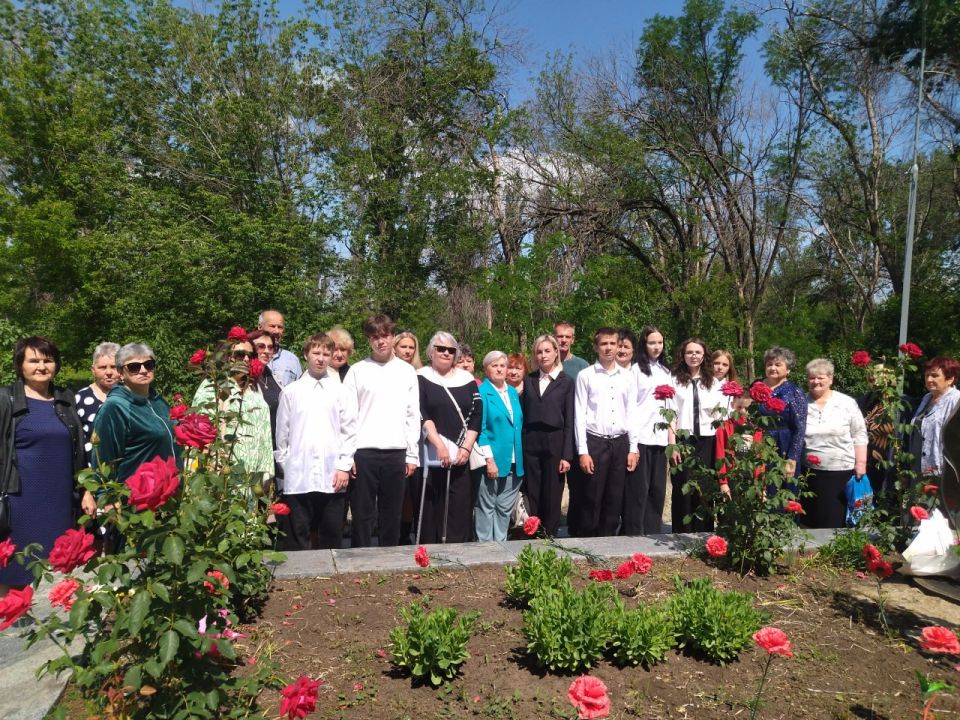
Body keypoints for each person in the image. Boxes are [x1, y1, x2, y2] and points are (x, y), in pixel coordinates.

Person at [0, 337, 92, 590]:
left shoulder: (65, 399)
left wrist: (85, 489)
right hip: (20, 501)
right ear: (20, 366)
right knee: (14, 570)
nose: (41, 366)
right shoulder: (5, 399)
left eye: (47, 360)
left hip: (60, 501)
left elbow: (78, 450)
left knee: (56, 571)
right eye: (34, 360)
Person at [339, 314, 420, 547]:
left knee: (391, 513)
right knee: (362, 514)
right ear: (368, 340)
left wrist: (412, 454)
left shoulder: (406, 372)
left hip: (396, 451)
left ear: (393, 337)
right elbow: (347, 416)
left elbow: (412, 415)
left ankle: (389, 560)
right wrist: (348, 455)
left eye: (385, 336)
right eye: (375, 337)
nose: (380, 341)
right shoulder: (357, 370)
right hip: (364, 452)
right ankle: (360, 561)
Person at [274, 334, 351, 550]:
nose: (321, 358)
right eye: (316, 353)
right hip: (299, 474)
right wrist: (286, 464)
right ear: (306, 354)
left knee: (331, 534)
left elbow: (349, 431)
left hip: (332, 474)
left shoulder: (340, 392)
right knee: (297, 534)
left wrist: (344, 466)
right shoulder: (291, 392)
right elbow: (282, 433)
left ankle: (331, 579)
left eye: (326, 354)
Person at [572, 328, 639, 537]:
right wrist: (583, 451)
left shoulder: (628, 377)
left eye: (612, 343)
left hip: (620, 443)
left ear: (618, 345)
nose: (608, 348)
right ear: (596, 347)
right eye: (604, 344)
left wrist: (633, 448)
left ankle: (608, 541)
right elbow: (579, 414)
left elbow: (632, 413)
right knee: (591, 495)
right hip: (595, 442)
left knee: (614, 496)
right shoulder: (586, 376)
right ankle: (588, 541)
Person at [416, 331, 482, 544]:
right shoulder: (421, 376)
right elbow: (422, 412)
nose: (446, 353)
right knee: (431, 505)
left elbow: (476, 414)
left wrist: (466, 447)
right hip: (433, 453)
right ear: (431, 351)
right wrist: (438, 445)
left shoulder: (466, 378)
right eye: (440, 349)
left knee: (459, 505)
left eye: (450, 350)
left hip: (461, 453)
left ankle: (458, 551)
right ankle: (430, 551)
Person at [192, 334, 274, 491]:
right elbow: (199, 430)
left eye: (250, 355)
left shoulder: (253, 387)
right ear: (226, 356)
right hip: (224, 471)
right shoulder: (213, 385)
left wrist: (265, 470)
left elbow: (264, 431)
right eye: (239, 354)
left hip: (252, 474)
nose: (245, 359)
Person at [93, 343, 178, 484]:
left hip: (168, 492)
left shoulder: (158, 401)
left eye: (148, 364)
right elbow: (103, 458)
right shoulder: (115, 407)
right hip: (136, 496)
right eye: (134, 367)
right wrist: (107, 497)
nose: (143, 370)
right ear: (120, 373)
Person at [802, 358, 868, 528]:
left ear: (831, 379)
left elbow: (859, 433)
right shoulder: (801, 402)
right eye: (811, 378)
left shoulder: (846, 403)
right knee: (811, 518)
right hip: (809, 472)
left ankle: (834, 553)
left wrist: (860, 463)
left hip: (841, 470)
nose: (815, 381)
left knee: (835, 518)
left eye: (821, 377)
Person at [668, 338, 726, 532]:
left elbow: (720, 415)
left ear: (704, 355)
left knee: (705, 487)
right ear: (683, 356)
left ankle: (704, 532)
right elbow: (671, 414)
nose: (694, 356)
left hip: (708, 440)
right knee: (682, 486)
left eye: (698, 352)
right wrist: (673, 444)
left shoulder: (714, 382)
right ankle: (682, 532)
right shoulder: (674, 379)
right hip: (683, 440)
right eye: (689, 352)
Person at [521, 334, 575, 536]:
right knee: (533, 490)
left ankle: (550, 535)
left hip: (555, 441)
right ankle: (533, 532)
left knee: (552, 491)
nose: (543, 355)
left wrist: (566, 455)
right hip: (531, 441)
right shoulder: (529, 380)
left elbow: (570, 419)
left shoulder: (566, 382)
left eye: (547, 351)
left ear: (555, 353)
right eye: (539, 352)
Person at [623, 326, 672, 535]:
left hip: (661, 440)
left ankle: (653, 532)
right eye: (652, 342)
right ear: (644, 345)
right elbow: (630, 408)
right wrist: (632, 445)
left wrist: (672, 439)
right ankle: (634, 533)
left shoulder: (666, 372)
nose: (656, 347)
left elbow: (670, 409)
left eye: (660, 342)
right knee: (638, 491)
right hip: (641, 437)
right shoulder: (635, 371)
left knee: (657, 489)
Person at [474, 351, 524, 542]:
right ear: (486, 370)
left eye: (502, 365)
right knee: (487, 506)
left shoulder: (512, 392)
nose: (499, 369)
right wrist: (489, 460)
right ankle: (485, 549)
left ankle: (501, 547)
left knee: (504, 508)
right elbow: (482, 428)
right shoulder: (483, 392)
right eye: (494, 365)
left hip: (514, 460)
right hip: (492, 460)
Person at [756, 346, 807, 478]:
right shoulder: (756, 387)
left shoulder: (794, 392)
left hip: (783, 443)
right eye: (769, 364)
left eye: (778, 365)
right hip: (758, 443)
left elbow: (800, 428)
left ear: (788, 369)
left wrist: (792, 457)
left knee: (780, 490)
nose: (773, 368)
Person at [912, 356, 960, 477]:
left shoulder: (956, 400)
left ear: (950, 379)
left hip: (943, 473)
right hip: (918, 469)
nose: (929, 379)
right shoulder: (927, 398)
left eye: (934, 375)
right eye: (927, 375)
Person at [75, 342, 120, 457]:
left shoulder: (132, 395)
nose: (109, 372)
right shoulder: (80, 398)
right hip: (93, 470)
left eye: (114, 367)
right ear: (93, 370)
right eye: (103, 367)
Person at [259, 310, 302, 387]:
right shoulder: (250, 356)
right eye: (272, 326)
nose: (276, 331)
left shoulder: (292, 360)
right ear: (260, 327)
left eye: (280, 327)